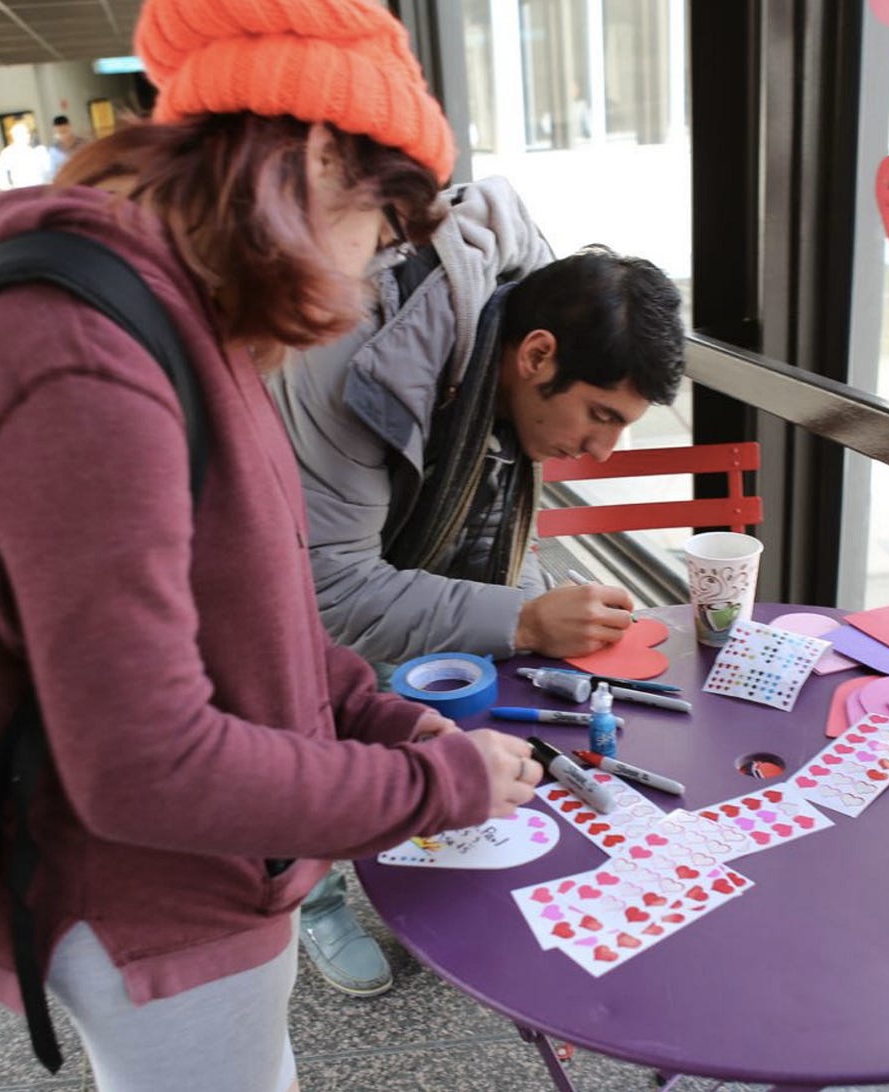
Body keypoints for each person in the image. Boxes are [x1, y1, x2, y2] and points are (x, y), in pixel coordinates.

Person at [0, 1, 540, 1089]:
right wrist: (435, 785)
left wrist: (379, 713)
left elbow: (257, 617)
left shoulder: (181, 321)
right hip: (153, 898)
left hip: (218, 870)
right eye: (379, 242)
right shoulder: (81, 358)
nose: (355, 297)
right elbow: (144, 767)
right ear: (320, 152)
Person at [269, 184, 685, 996]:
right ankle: (310, 896)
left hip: (362, 538)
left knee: (405, 691)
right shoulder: (351, 362)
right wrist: (524, 620)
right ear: (536, 357)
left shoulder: (520, 318)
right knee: (298, 704)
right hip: (272, 555)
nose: (602, 450)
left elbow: (502, 493)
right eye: (601, 415)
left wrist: (528, 606)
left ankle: (407, 836)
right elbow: (329, 591)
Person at [0, 120, 49, 189]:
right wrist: (8, 189)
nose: (27, 136)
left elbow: (48, 170)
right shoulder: (9, 153)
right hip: (22, 191)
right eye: (23, 134)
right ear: (15, 136)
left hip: (41, 189)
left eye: (28, 133)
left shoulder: (39, 149)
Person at [45, 113, 88, 180]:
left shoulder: (83, 144)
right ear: (55, 131)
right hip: (65, 183)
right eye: (60, 132)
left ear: (70, 127)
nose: (63, 135)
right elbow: (54, 173)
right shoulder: (54, 150)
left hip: (83, 180)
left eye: (64, 131)